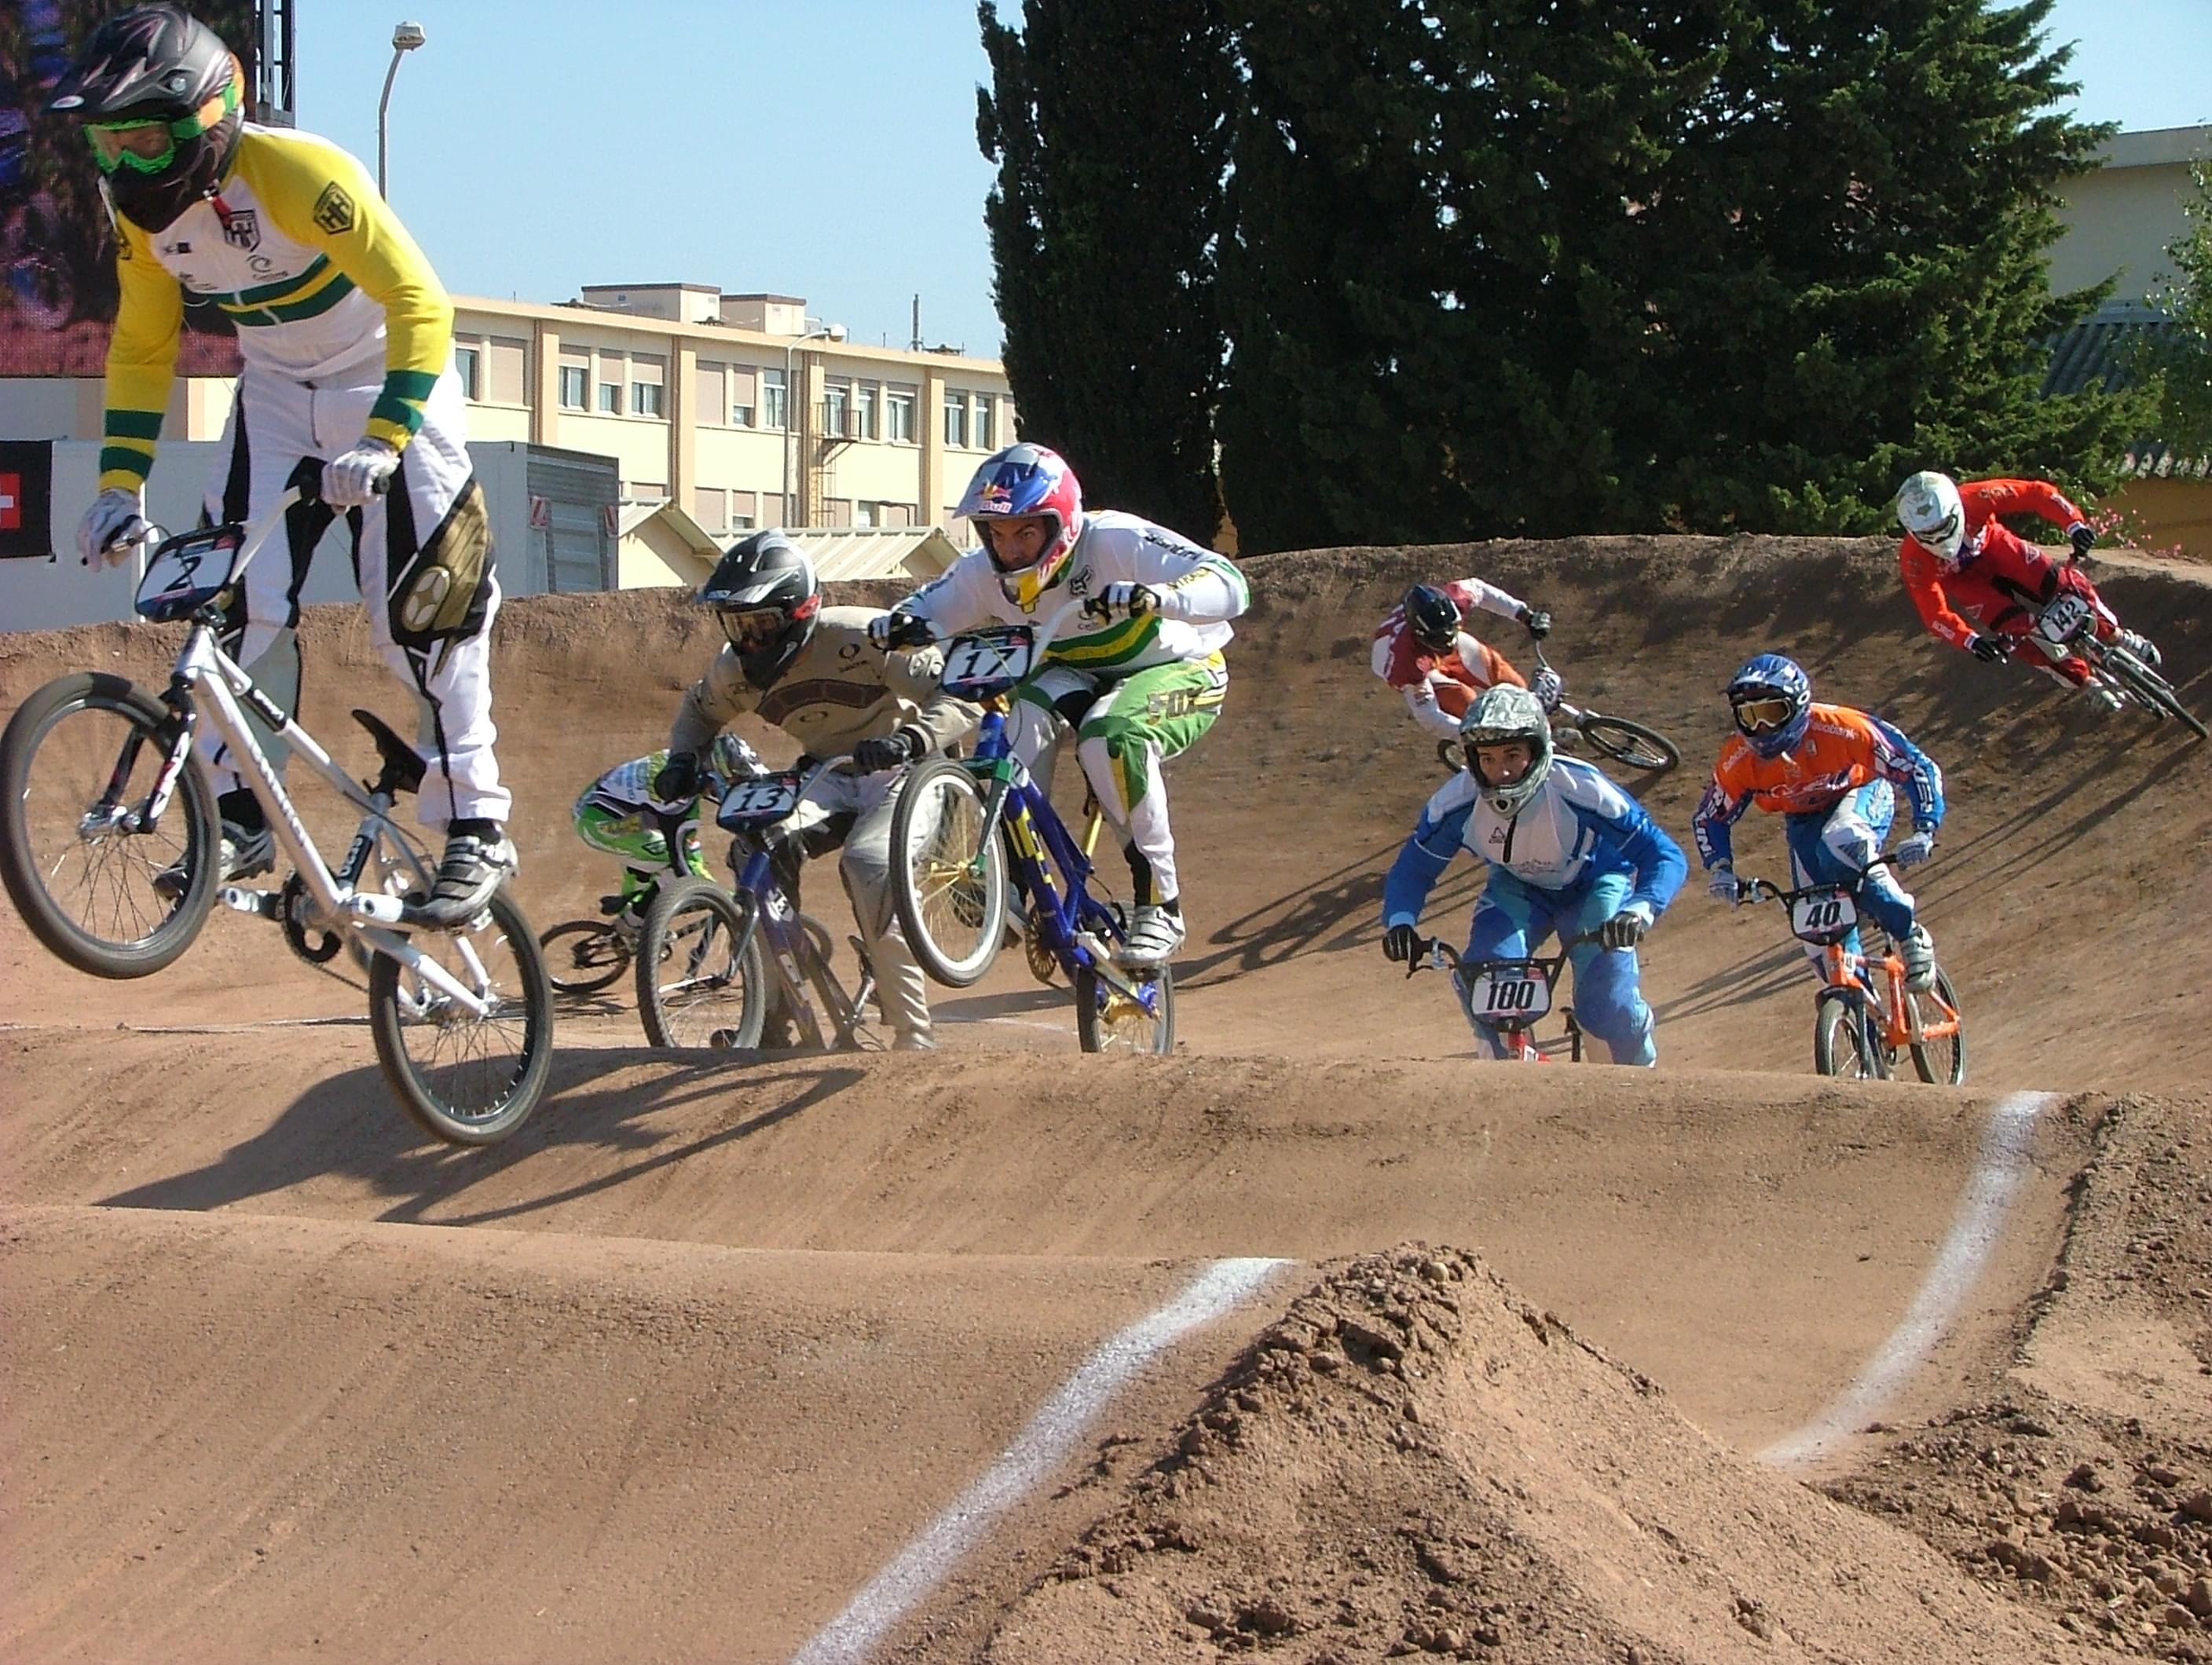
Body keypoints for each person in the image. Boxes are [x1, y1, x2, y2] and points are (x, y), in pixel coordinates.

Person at [53, 5, 511, 928]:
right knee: (227, 606)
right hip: (271, 396)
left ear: (208, 116)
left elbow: (420, 299)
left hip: (388, 379)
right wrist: (117, 482)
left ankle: (475, 824)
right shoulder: (134, 209)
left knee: (426, 616)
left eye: (145, 137)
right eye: (110, 143)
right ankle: (238, 815)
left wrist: (384, 437)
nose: (127, 164)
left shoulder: (303, 173)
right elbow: (144, 344)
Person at [868, 442, 1249, 968]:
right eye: (997, 534)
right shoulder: (985, 572)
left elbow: (1231, 584)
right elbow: (932, 604)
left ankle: (1161, 904)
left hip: (1179, 668)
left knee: (1109, 736)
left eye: (1026, 532)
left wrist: (1160, 597)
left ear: (1062, 522)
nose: (1012, 549)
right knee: (1012, 724)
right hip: (1073, 672)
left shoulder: (1115, 539)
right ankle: (1008, 881)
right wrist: (902, 621)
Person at [661, 530, 977, 1052]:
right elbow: (698, 713)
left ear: (800, 612)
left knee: (869, 862)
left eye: (762, 624)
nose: (750, 642)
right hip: (828, 772)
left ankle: (913, 1036)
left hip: (910, 771)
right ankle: (776, 1014)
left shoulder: (866, 636)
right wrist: (682, 758)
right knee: (754, 849)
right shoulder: (733, 671)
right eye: (737, 626)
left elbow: (958, 694)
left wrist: (910, 738)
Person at [1379, 683, 1684, 1066]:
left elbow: (1664, 854)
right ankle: (1517, 1083)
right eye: (1486, 759)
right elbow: (1414, 868)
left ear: (1538, 750)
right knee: (1485, 983)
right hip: (1520, 887)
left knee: (1606, 1007)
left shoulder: (1582, 788)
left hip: (1596, 883)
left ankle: (1640, 1072)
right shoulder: (1455, 802)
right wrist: (1401, 921)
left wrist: (1642, 907)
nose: (1501, 772)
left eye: (1512, 755)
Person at [1694, 654, 1945, 989]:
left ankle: (1909, 932)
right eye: (1749, 717)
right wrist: (1720, 867)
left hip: (1861, 792)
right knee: (1820, 945)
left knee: (1840, 839)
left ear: (1797, 706)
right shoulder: (1739, 760)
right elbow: (1710, 816)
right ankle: (1860, 1024)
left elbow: (1916, 766)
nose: (1761, 729)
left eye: (1771, 714)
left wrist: (1924, 828)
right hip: (1803, 823)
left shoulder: (1841, 728)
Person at [1893, 470, 2160, 714]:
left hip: (1995, 547)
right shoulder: (1913, 560)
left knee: (2064, 585)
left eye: (1943, 527)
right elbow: (1934, 614)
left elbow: (2036, 493)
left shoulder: (1977, 497)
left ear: (1956, 508)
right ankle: (2086, 682)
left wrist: (2074, 524)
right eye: (1928, 534)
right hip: (1965, 581)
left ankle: (2118, 636)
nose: (1939, 539)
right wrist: (1970, 640)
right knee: (2018, 634)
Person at [572, 734, 765, 944]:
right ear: (715, 773)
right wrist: (726, 900)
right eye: (730, 782)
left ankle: (633, 905)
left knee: (676, 852)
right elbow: (683, 867)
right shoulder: (678, 796)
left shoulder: (679, 765)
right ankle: (634, 924)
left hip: (596, 807)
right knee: (671, 866)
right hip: (600, 824)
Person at [1374, 579, 1555, 739]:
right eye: (1440, 640)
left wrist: (1525, 615)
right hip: (1419, 662)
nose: (1448, 644)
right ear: (1420, 635)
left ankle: (1540, 729)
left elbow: (1482, 591)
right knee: (1468, 705)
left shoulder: (1456, 598)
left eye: (1453, 628)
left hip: (1429, 646)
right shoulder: (1404, 662)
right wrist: (1471, 732)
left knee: (1509, 681)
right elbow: (1430, 717)